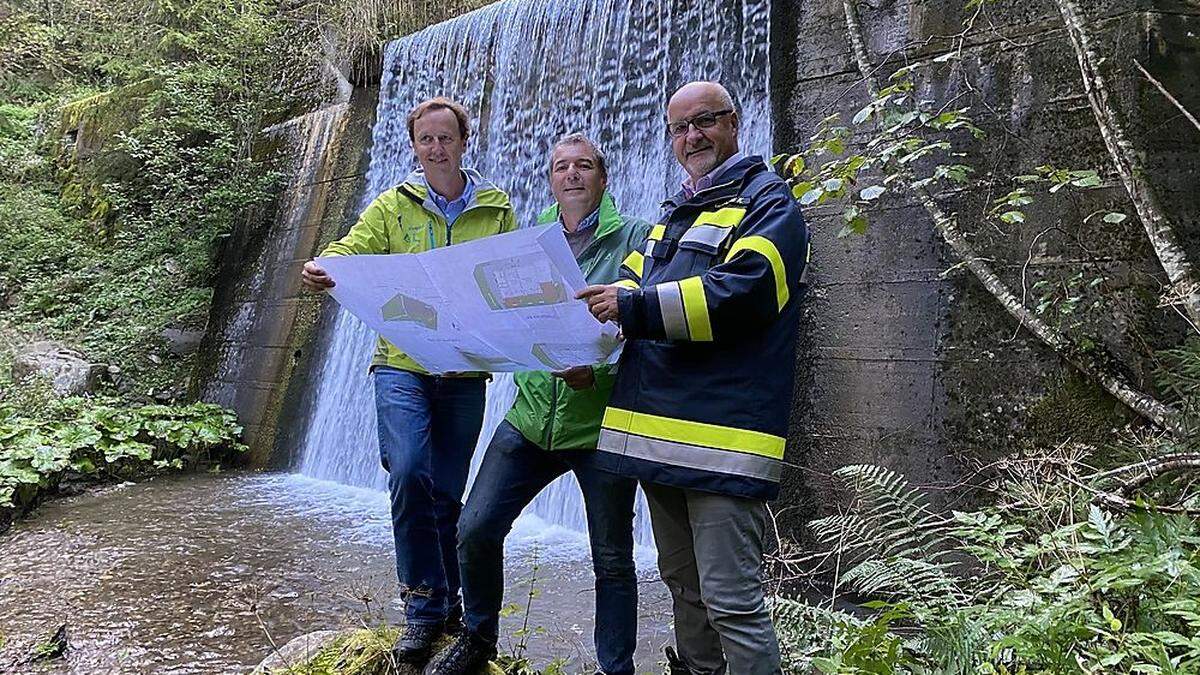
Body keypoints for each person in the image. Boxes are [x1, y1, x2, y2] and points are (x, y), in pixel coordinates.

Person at [578, 81, 811, 675]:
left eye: (704, 121)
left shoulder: (770, 204)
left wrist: (633, 309)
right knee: (684, 587)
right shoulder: (672, 215)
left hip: (724, 444)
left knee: (733, 604)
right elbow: (626, 293)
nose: (692, 136)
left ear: (734, 123)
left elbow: (747, 293)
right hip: (657, 435)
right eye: (680, 128)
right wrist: (584, 348)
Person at [300, 97, 518, 663]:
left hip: (465, 369)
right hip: (401, 364)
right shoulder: (392, 208)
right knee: (410, 473)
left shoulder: (496, 211)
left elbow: (516, 276)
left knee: (446, 492)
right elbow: (351, 249)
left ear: (464, 141)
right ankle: (421, 610)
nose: (437, 148)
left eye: (446, 138)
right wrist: (327, 266)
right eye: (426, 139)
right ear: (415, 146)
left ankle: (448, 607)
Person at [426, 133, 651, 675]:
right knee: (475, 527)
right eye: (561, 167)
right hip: (529, 419)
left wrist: (595, 369)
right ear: (550, 180)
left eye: (584, 166)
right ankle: (479, 637)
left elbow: (645, 325)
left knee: (613, 559)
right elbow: (504, 319)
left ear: (603, 178)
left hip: (600, 425)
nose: (571, 175)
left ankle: (614, 668)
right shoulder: (529, 242)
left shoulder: (638, 238)